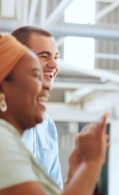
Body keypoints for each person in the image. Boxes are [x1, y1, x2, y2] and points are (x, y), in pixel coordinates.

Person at [0, 34, 108, 195]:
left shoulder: (40, 129)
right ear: (3, 88)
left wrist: (75, 175)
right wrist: (91, 164)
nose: (47, 86)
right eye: (36, 75)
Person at [11, 26, 63, 188]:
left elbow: (55, 187)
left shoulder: (47, 125)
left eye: (56, 56)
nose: (54, 64)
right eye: (44, 56)